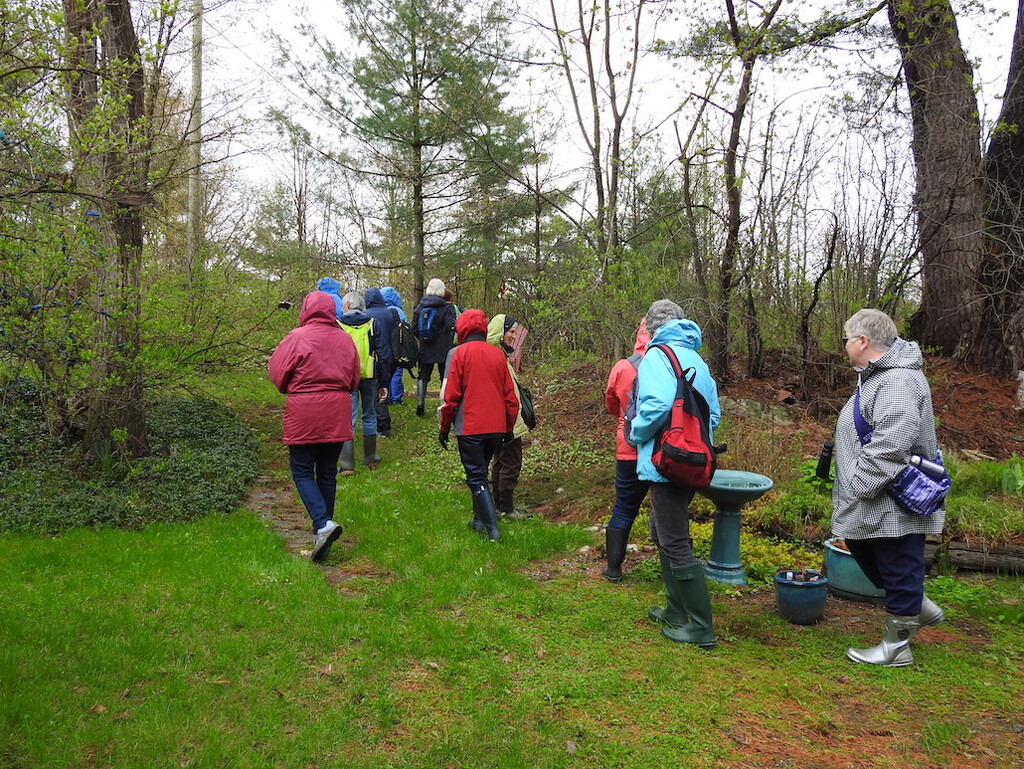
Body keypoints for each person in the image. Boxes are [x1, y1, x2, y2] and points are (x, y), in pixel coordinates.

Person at [833, 308, 946, 667]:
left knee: (898, 561)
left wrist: (860, 483)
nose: (846, 345)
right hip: (877, 496)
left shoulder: (895, 380)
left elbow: (893, 439)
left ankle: (896, 648)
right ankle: (915, 604)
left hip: (889, 496)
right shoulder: (878, 376)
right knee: (864, 546)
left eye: (847, 338)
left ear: (863, 341)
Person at [630, 299, 720, 648]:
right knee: (663, 529)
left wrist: (636, 432)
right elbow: (713, 415)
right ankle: (674, 609)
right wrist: (695, 444)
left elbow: (655, 404)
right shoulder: (697, 359)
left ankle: (699, 626)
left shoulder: (656, 356)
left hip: (665, 460)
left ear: (651, 329)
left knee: (674, 539)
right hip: (693, 460)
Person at [268, 291, 360, 562]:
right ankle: (322, 535)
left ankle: (322, 524)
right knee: (327, 473)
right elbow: (354, 378)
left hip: (305, 411)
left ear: (306, 309)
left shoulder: (296, 337)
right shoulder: (344, 338)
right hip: (336, 410)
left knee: (301, 471)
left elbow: (278, 373)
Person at [439, 309, 519, 541]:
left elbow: (450, 396)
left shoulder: (458, 354)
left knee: (475, 477)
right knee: (481, 472)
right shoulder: (497, 355)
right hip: (495, 426)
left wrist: (444, 426)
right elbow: (510, 397)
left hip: (471, 426)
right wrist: (508, 427)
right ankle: (478, 520)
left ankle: (492, 530)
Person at [601, 317, 652, 582]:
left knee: (623, 507)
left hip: (629, 447)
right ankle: (673, 567)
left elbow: (612, 404)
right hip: (664, 450)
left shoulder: (623, 367)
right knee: (668, 509)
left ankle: (613, 568)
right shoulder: (674, 363)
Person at [487, 314, 531, 520]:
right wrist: (511, 421)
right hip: (507, 420)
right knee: (511, 463)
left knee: (500, 461)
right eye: (510, 331)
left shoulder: (497, 355)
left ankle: (499, 504)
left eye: (515, 331)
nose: (514, 336)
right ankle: (506, 507)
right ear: (499, 332)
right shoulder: (496, 357)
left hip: (502, 419)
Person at [338, 292, 388, 473]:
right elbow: (383, 354)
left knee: (347, 417)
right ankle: (370, 458)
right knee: (369, 414)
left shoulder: (338, 324)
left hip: (346, 377)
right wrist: (384, 382)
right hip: (370, 375)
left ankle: (346, 464)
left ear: (348, 306)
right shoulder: (374, 323)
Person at [412, 278, 457, 416]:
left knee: (423, 375)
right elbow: (451, 326)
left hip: (426, 347)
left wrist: (423, 338)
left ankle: (420, 403)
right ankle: (444, 403)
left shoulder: (420, 307)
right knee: (445, 376)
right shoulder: (447, 307)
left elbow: (414, 328)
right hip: (443, 348)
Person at [364, 287, 396, 437]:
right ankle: (383, 424)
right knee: (384, 387)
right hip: (390, 355)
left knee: (376, 391)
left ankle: (382, 426)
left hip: (374, 356)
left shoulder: (366, 315)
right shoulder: (390, 313)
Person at [381, 286, 408, 405]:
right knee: (397, 371)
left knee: (385, 371)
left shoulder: (382, 311)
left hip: (385, 345)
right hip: (398, 346)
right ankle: (396, 398)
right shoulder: (399, 311)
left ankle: (385, 396)